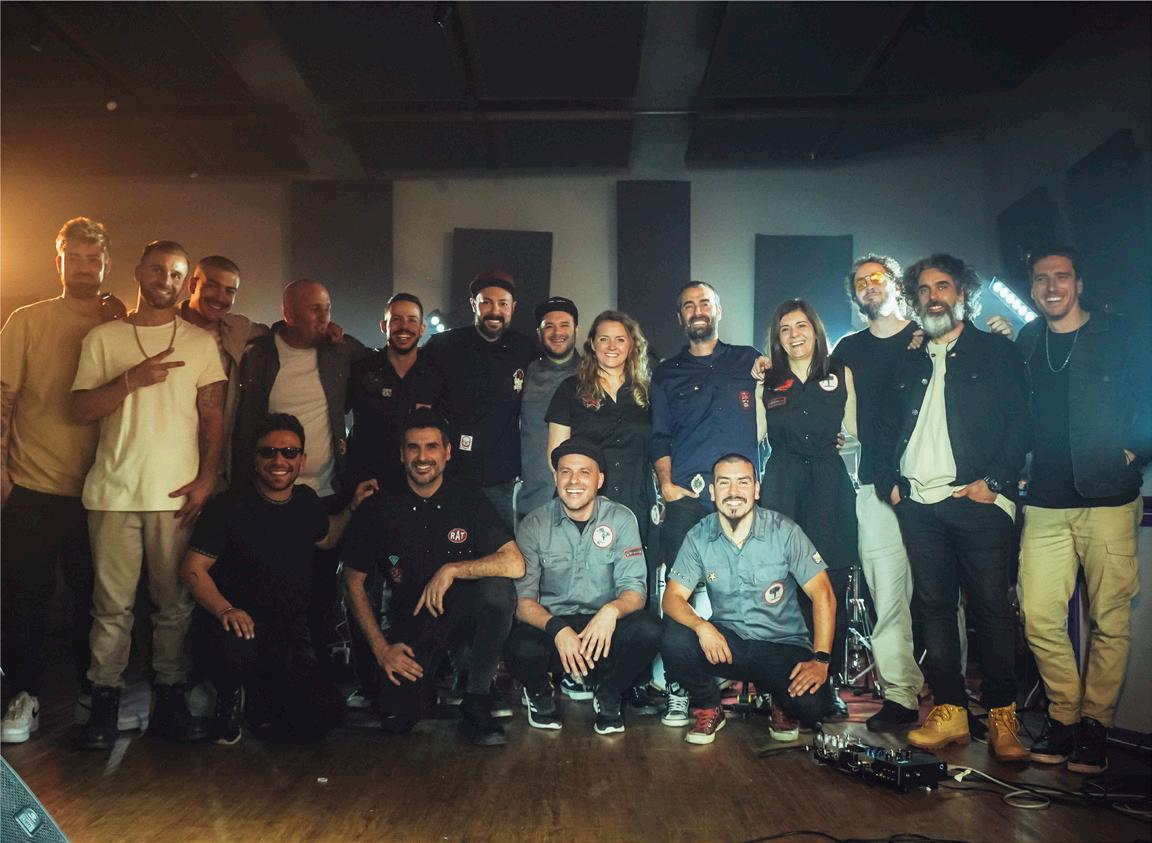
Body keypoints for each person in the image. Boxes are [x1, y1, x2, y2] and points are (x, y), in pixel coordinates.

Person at [873, 253, 1031, 761]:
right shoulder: (908, 358)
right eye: (923, 290)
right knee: (935, 611)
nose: (933, 297)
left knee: (991, 610)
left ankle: (1003, 718)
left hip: (977, 501)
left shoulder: (996, 352)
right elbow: (881, 428)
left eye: (943, 287)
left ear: (962, 294)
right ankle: (950, 711)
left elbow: (1021, 422)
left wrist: (995, 483)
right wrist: (890, 486)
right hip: (919, 506)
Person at [71, 239, 227, 750]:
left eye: (177, 274)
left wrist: (207, 478)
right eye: (159, 270)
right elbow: (79, 409)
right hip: (112, 494)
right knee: (110, 608)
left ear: (186, 282)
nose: (167, 280)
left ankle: (169, 701)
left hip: (175, 495)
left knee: (173, 606)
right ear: (139, 272)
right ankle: (104, 703)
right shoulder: (104, 338)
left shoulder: (200, 343)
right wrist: (129, 381)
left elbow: (213, 417)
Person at [1015, 246, 1149, 774]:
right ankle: (1064, 715)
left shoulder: (1115, 334)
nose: (1052, 286)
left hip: (1107, 496)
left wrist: (1135, 450)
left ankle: (1095, 725)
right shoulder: (1028, 340)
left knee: (1110, 618)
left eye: (1062, 276)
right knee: (1038, 614)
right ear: (1032, 288)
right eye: (1041, 279)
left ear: (1079, 283)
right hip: (1045, 500)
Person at [0, 217, 125, 744]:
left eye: (93, 259)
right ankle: (23, 696)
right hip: (32, 486)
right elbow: (2, 398)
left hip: (101, 492)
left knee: (95, 602)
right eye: (74, 257)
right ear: (59, 262)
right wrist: (1, 473)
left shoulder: (121, 324)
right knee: (24, 599)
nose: (84, 267)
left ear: (106, 265)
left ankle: (89, 699)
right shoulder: (27, 321)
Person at [180, 414, 377, 744]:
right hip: (234, 629)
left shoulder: (306, 501)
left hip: (285, 636)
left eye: (289, 452)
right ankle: (225, 696)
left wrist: (353, 507)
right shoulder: (228, 505)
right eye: (268, 452)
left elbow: (327, 537)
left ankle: (257, 702)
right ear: (254, 458)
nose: (279, 461)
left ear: (302, 460)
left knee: (324, 715)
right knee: (236, 645)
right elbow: (192, 569)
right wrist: (226, 610)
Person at [342, 409, 524, 746]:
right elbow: (352, 580)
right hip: (412, 620)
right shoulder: (380, 506)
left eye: (431, 447)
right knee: (398, 717)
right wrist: (382, 649)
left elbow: (515, 564)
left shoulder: (467, 496)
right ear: (401, 454)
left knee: (498, 591)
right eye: (413, 447)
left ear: (447, 452)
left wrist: (452, 569)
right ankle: (424, 688)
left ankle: (476, 699)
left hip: (462, 611)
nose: (422, 457)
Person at [232, 278, 369, 675]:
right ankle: (269, 669)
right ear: (288, 313)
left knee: (322, 589)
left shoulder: (339, 351)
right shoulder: (261, 355)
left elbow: (377, 361)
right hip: (271, 495)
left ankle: (319, 669)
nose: (324, 317)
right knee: (271, 584)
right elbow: (245, 424)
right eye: (314, 309)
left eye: (327, 309)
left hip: (324, 490)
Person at [661, 453, 836, 745]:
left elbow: (823, 593)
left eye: (743, 482)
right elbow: (672, 598)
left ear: (756, 489)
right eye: (724, 483)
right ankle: (709, 704)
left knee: (813, 707)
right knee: (673, 639)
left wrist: (820, 659)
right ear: (712, 491)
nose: (733, 492)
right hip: (729, 644)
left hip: (781, 645)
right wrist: (702, 627)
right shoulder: (698, 536)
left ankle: (781, 701)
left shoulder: (784, 531)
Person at [649, 281, 762, 724]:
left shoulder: (750, 360)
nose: (697, 310)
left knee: (754, 590)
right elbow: (659, 435)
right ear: (680, 317)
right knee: (679, 595)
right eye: (688, 306)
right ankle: (682, 688)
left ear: (718, 310)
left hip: (740, 501)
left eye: (704, 303)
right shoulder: (667, 373)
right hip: (689, 500)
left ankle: (762, 685)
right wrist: (666, 484)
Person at [546, 311, 661, 712]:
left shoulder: (646, 390)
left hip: (636, 498)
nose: (612, 346)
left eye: (620, 339)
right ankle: (583, 670)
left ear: (632, 346)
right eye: (604, 339)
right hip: (587, 501)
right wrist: (577, 498)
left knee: (633, 590)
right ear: (592, 345)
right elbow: (556, 455)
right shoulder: (571, 389)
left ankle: (633, 680)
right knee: (588, 585)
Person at [509, 438, 662, 734]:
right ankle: (540, 694)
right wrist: (557, 628)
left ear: (599, 480)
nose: (573, 481)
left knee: (649, 629)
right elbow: (523, 603)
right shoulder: (534, 524)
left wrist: (610, 612)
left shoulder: (621, 519)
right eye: (565, 472)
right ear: (556, 477)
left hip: (602, 630)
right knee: (518, 646)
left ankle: (609, 693)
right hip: (554, 629)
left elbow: (635, 591)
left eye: (584, 472)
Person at [759, 299, 858, 719]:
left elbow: (858, 432)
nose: (794, 334)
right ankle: (779, 685)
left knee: (830, 583)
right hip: (782, 482)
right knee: (782, 584)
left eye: (801, 326)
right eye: (785, 329)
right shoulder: (766, 380)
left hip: (829, 485)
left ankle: (826, 679)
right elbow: (752, 435)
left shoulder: (841, 373)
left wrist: (844, 441)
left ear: (816, 330)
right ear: (777, 339)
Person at [420, 270, 537, 531]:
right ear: (473, 304)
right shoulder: (443, 347)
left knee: (501, 550)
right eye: (487, 302)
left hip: (502, 480)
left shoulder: (524, 348)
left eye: (503, 304)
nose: (495, 311)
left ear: (513, 308)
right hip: (451, 476)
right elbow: (421, 411)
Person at [177, 255, 268, 490]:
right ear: (193, 285)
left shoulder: (237, 329)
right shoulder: (162, 324)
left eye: (230, 291)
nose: (220, 297)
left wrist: (327, 330)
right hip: (167, 462)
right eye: (212, 285)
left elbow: (281, 333)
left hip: (216, 469)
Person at [346, 292, 438, 496]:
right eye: (396, 319)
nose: (404, 327)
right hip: (366, 485)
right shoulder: (361, 370)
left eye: (412, 320)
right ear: (383, 326)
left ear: (422, 328)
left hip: (416, 486)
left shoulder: (435, 376)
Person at [517, 297, 580, 520]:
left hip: (580, 500)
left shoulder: (592, 374)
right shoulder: (526, 372)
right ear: (539, 332)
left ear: (576, 330)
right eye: (549, 326)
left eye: (564, 325)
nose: (557, 332)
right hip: (533, 500)